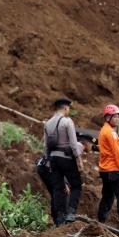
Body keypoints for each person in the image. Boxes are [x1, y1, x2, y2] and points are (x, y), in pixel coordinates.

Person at [44, 97, 84, 226]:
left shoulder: (48, 123)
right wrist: (79, 160)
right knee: (76, 185)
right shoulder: (67, 122)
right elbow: (73, 143)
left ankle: (60, 218)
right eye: (69, 108)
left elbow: (46, 146)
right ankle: (71, 213)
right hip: (66, 158)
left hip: (54, 159)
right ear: (66, 108)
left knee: (58, 188)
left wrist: (49, 162)